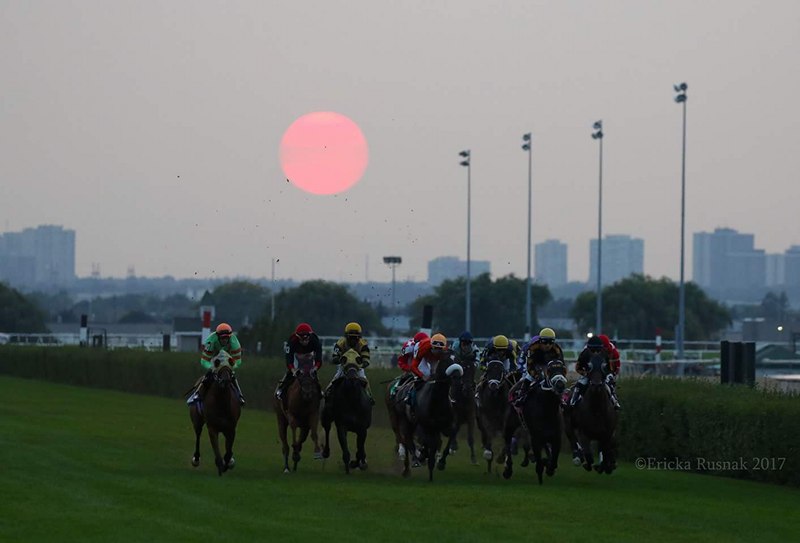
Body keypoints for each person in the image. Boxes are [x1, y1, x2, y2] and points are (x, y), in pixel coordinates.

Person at [186, 322, 245, 405]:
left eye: (226, 338)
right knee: (208, 376)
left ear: (230, 337)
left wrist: (230, 366)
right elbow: (204, 361)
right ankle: (197, 394)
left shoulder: (235, 343)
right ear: (217, 337)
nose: (224, 340)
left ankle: (240, 396)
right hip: (213, 359)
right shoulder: (210, 341)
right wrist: (212, 367)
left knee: (232, 376)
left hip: (228, 360)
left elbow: (238, 362)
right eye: (222, 338)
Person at [509, 327, 565, 406]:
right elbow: (530, 366)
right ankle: (521, 396)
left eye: (551, 342)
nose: (548, 345)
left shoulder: (557, 349)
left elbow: (561, 365)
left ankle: (562, 399)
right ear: (540, 341)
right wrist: (537, 375)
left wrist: (556, 374)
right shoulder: (532, 348)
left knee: (559, 379)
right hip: (535, 364)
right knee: (528, 378)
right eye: (545, 342)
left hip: (550, 366)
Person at [325, 322, 374, 405]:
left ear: (359, 337)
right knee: (335, 379)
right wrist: (337, 359)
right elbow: (335, 355)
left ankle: (369, 397)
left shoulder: (363, 344)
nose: (353, 340)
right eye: (351, 337)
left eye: (355, 338)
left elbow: (366, 358)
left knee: (365, 380)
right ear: (346, 336)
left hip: (358, 368)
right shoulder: (340, 343)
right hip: (343, 367)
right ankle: (327, 392)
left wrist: (363, 363)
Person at [570, 335, 621, 409]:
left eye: (598, 350)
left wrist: (609, 374)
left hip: (602, 375)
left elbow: (611, 368)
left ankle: (614, 401)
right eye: (593, 350)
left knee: (610, 384)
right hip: (589, 374)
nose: (596, 352)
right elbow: (578, 367)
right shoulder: (585, 353)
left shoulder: (605, 353)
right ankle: (573, 400)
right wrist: (584, 373)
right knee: (579, 384)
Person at [276, 322, 323, 400]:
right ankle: (282, 389)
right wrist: (293, 370)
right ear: (298, 337)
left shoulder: (315, 340)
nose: (304, 342)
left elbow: (319, 359)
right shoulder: (292, 340)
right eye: (302, 339)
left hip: (309, 356)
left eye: (306, 339)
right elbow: (289, 359)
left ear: (310, 336)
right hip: (296, 356)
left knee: (313, 375)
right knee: (290, 375)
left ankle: (319, 391)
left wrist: (315, 368)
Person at [406, 333, 452, 406]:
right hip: (424, 354)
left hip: (433, 357)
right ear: (431, 346)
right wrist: (422, 376)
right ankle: (410, 397)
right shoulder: (423, 348)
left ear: (444, 348)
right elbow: (413, 367)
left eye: (439, 349)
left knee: (436, 374)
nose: (437, 351)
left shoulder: (446, 351)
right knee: (426, 373)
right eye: (435, 348)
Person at [475, 335, 516, 402]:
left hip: (504, 360)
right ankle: (477, 392)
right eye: (499, 350)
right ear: (494, 348)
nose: (501, 352)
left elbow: (514, 364)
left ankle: (515, 393)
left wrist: (511, 371)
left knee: (512, 377)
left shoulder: (510, 349)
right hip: (491, 359)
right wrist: (486, 369)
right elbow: (482, 363)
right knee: (484, 376)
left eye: (503, 350)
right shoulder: (488, 348)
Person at [390, 331, 429, 398]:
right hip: (411, 367)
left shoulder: (429, 346)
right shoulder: (409, 346)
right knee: (406, 377)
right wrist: (409, 369)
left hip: (422, 368)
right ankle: (395, 389)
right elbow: (401, 361)